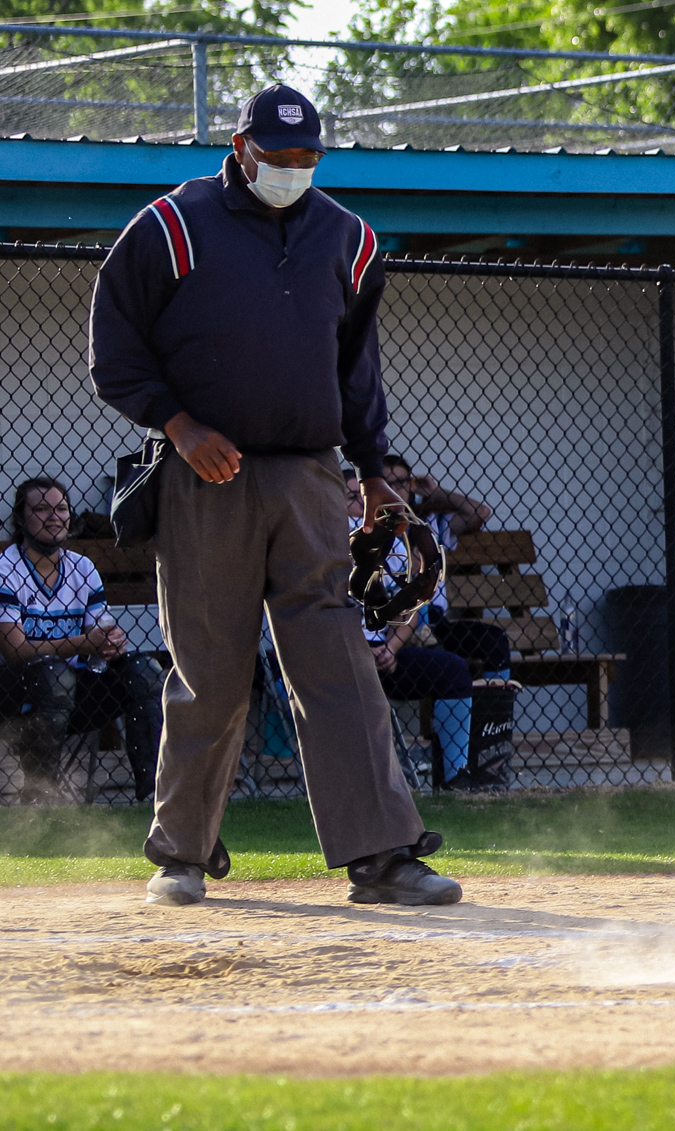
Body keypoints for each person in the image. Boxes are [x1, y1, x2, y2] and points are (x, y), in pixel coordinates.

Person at [88, 83, 458, 907]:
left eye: (306, 159)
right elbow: (112, 348)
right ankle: (181, 853)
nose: (292, 170)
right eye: (278, 157)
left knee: (339, 661)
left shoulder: (349, 239)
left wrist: (370, 472)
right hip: (203, 470)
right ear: (239, 145)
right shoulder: (171, 226)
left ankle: (385, 854)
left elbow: (357, 370)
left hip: (309, 476)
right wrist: (179, 427)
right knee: (210, 667)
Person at [0, 478, 165, 803]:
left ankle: (157, 795)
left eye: (61, 508)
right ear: (21, 519)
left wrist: (108, 643)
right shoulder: (6, 569)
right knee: (54, 673)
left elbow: (97, 636)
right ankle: (40, 796)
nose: (54, 517)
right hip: (16, 693)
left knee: (144, 670)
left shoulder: (82, 568)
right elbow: (15, 650)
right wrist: (83, 643)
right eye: (41, 509)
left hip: (73, 694)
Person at [343, 469, 496, 790]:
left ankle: (456, 779)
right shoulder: (329, 542)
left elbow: (408, 607)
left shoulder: (396, 537)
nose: (360, 504)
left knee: (454, 669)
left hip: (385, 651)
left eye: (363, 497)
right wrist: (362, 651)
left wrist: (390, 649)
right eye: (350, 498)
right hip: (340, 656)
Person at [378, 454, 512, 679]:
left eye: (400, 483)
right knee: (443, 665)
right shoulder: (369, 528)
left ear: (411, 484)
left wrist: (433, 492)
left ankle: (494, 712)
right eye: (386, 483)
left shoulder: (429, 522)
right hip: (393, 625)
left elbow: (480, 512)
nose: (393, 490)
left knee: (494, 640)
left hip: (435, 623)